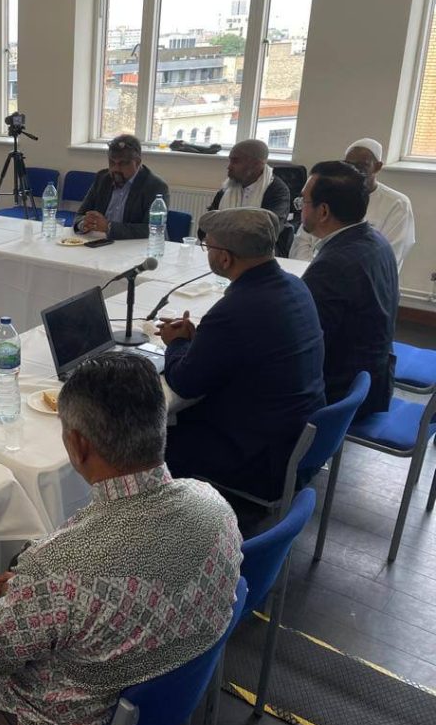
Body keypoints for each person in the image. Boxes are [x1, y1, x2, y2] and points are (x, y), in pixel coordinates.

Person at [0, 352, 243, 725]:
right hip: (167, 697)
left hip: (68, 723)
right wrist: (35, 595)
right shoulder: (216, 507)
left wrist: (19, 599)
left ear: (77, 445)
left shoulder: (57, 567)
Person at [158, 208, 325, 503]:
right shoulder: (295, 285)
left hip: (258, 458)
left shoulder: (236, 309)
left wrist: (177, 343)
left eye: (208, 246)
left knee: (146, 440)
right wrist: (201, 344)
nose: (207, 252)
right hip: (297, 436)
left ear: (225, 258)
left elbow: (183, 383)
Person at [300, 161, 399, 417]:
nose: (300, 208)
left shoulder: (332, 266)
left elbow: (304, 346)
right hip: (374, 377)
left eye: (304, 201)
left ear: (323, 211)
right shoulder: (375, 240)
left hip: (341, 391)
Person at [290, 138, 415, 270]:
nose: (354, 171)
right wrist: (310, 269)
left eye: (361, 166)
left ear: (377, 167)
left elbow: (389, 255)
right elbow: (303, 239)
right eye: (349, 165)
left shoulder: (398, 204)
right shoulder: (332, 194)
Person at [73, 134, 169, 239]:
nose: (116, 169)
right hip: (101, 242)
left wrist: (109, 227)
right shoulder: (102, 178)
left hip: (136, 246)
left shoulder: (155, 186)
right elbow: (80, 215)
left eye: (123, 164)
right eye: (112, 162)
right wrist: (84, 223)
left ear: (137, 162)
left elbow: (152, 229)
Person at [207, 139, 291, 253]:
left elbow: (269, 230)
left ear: (256, 164)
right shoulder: (228, 188)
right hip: (223, 252)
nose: (229, 167)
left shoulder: (277, 191)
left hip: (261, 254)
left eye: (235, 161)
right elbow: (207, 225)